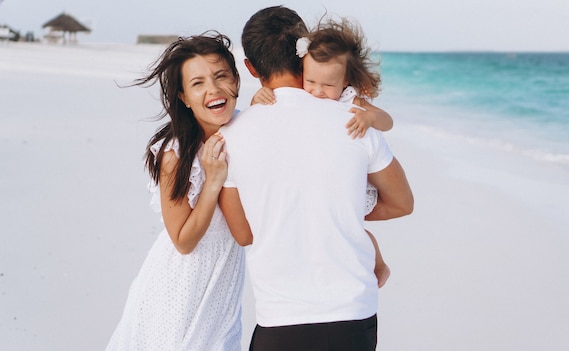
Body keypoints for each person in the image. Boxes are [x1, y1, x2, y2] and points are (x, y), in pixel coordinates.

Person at [218, 6, 414, 351]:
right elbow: (401, 203)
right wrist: (337, 209)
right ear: (303, 58)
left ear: (250, 67)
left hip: (281, 317)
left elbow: (244, 233)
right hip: (352, 313)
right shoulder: (355, 120)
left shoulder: (230, 136)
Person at [106, 32, 250, 351]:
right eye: (197, 83)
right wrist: (213, 181)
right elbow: (183, 242)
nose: (213, 89)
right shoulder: (175, 153)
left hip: (223, 282)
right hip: (178, 287)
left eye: (221, 76)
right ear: (184, 97)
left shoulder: (247, 130)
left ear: (237, 80)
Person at [251, 17, 393, 288]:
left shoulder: (351, 100)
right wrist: (258, 97)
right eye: (311, 80)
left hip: (354, 186)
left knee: (356, 232)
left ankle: (379, 265)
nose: (317, 91)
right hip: (322, 181)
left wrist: (369, 119)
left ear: (345, 81)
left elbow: (388, 121)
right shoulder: (299, 97)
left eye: (327, 85)